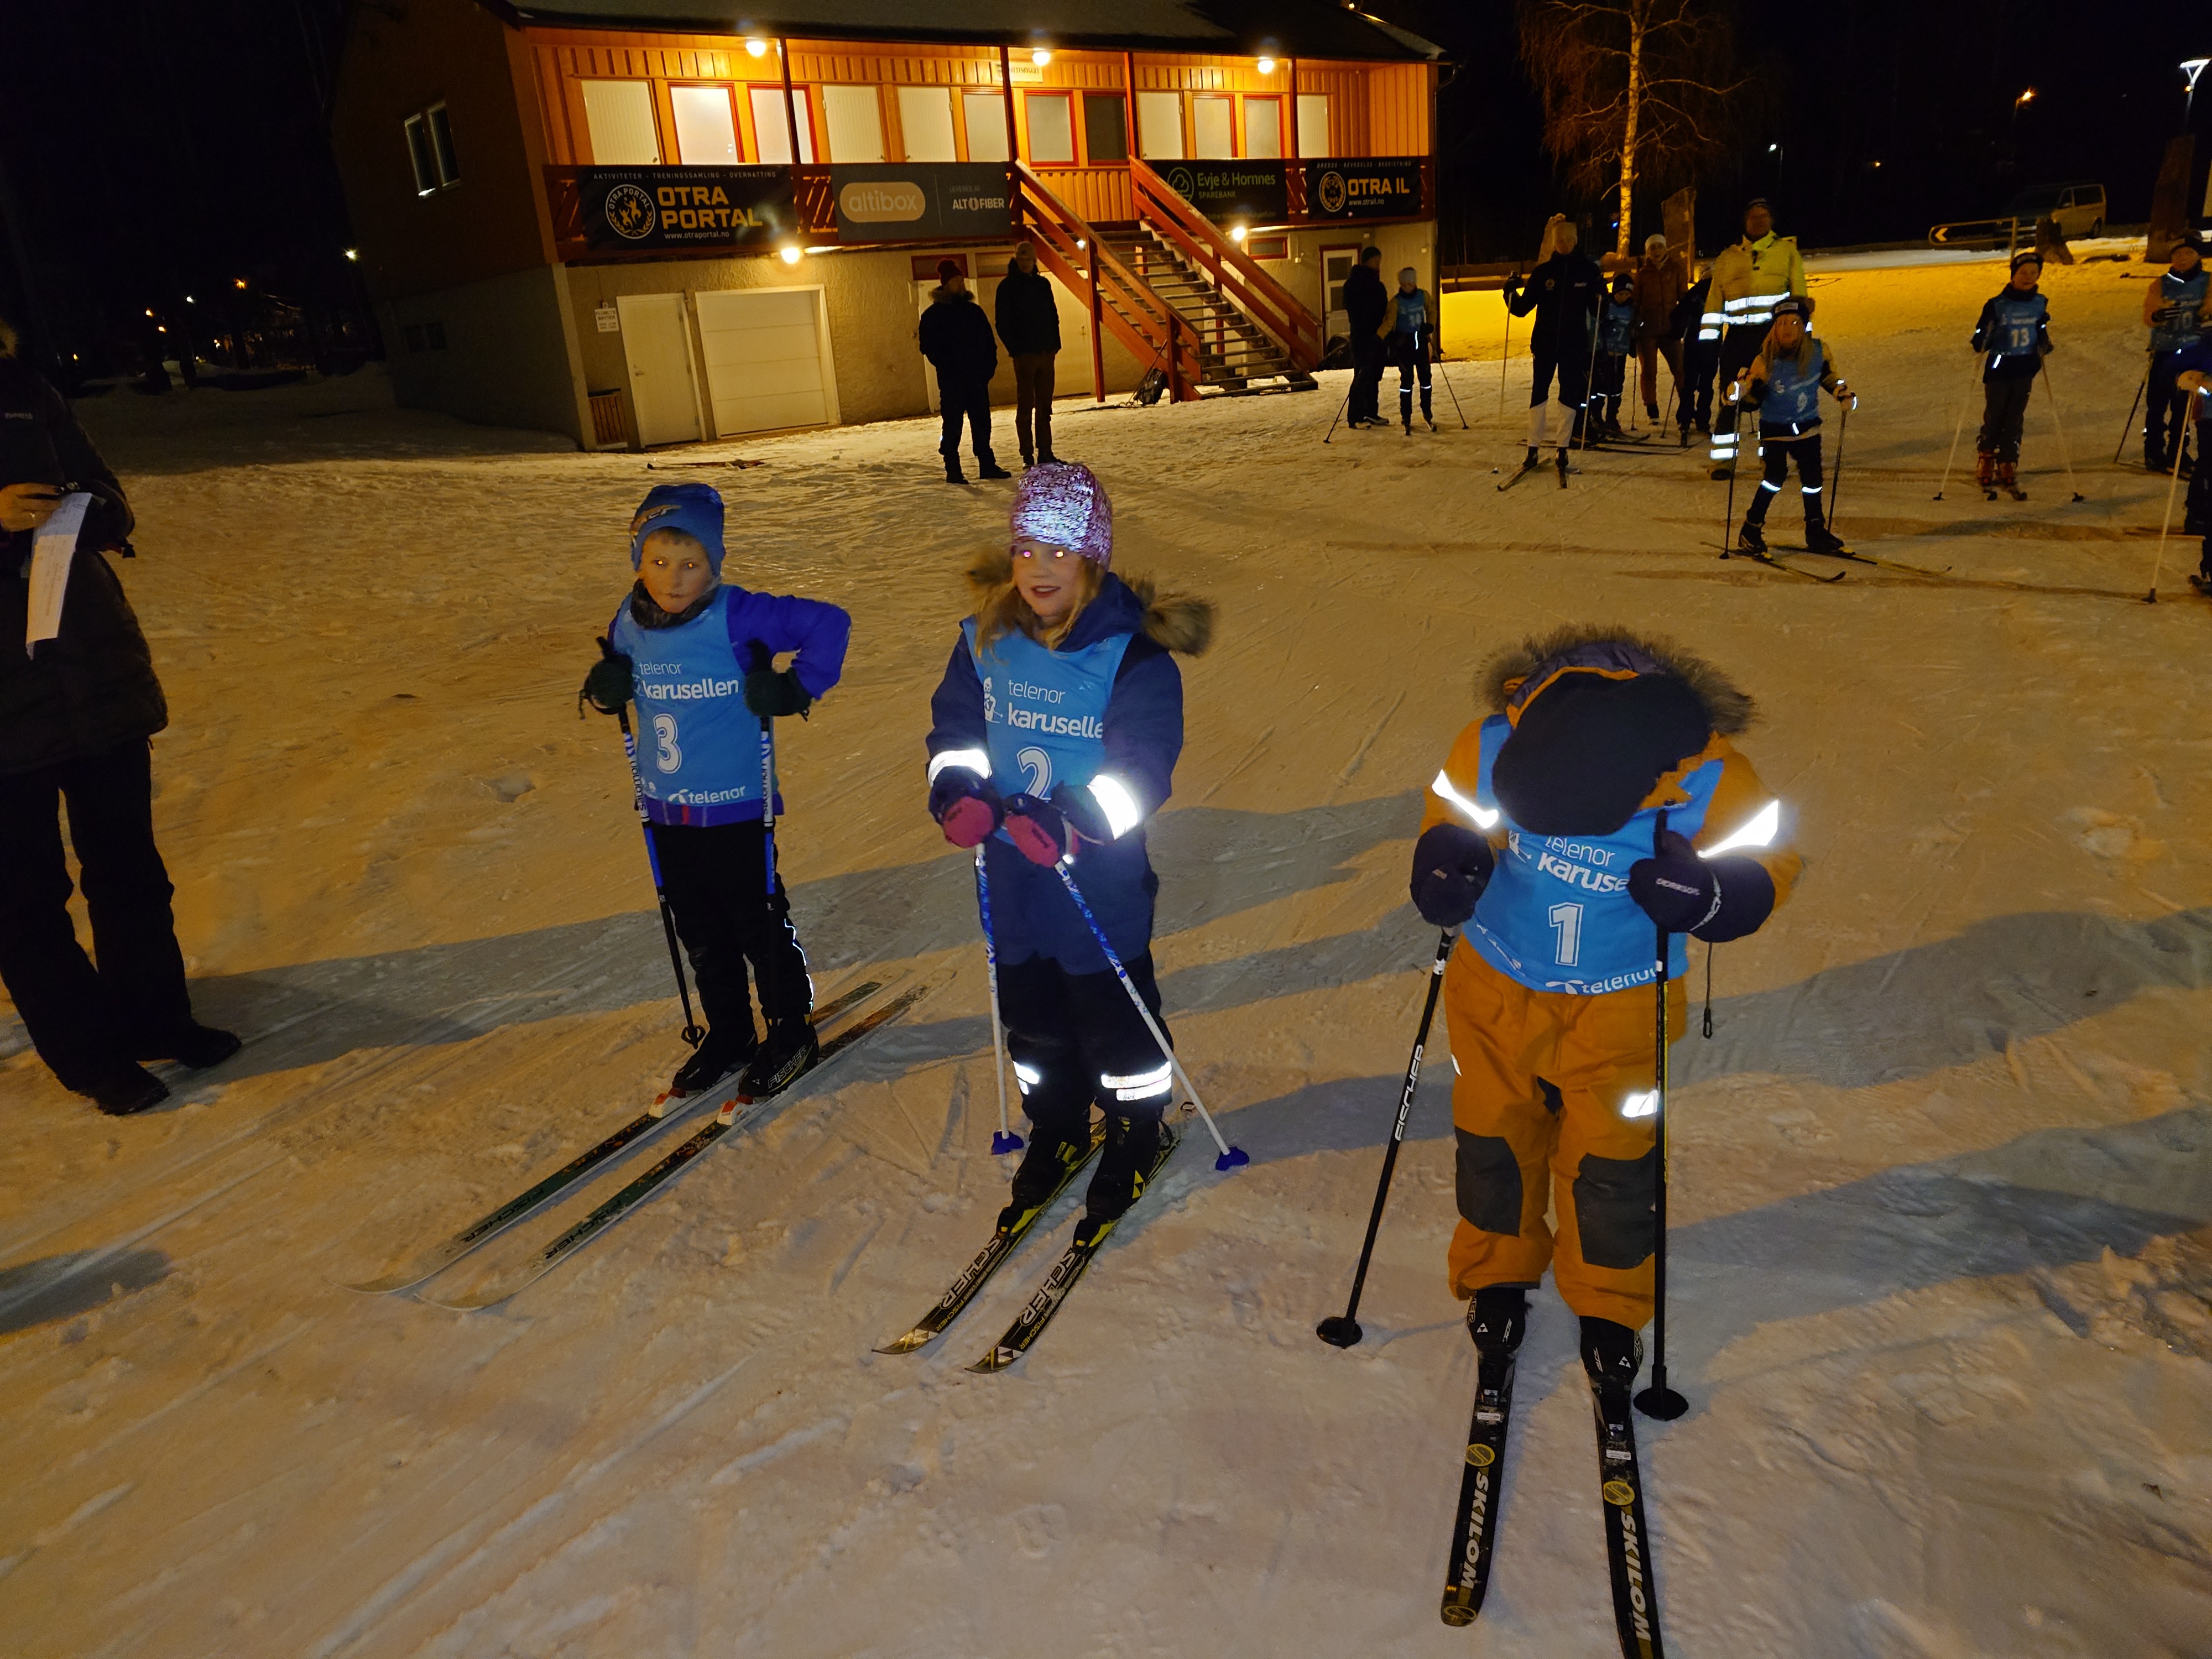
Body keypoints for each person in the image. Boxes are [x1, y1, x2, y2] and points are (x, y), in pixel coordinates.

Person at [1407, 624, 1801, 1438]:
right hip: (1499, 983)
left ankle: (1610, 1303)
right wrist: (1448, 857)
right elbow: (1454, 810)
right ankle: (1497, 1269)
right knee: (1493, 1131)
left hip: (1623, 998)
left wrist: (1714, 895)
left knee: (1611, 1156)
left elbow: (1770, 853)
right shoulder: (1492, 741)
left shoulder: (1707, 774)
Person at [924, 463, 1213, 1241]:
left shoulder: (1131, 656)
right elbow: (956, 732)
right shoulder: (985, 643)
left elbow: (1144, 766)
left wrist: (1080, 820)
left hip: (1097, 880)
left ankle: (1133, 1126)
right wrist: (960, 792)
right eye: (1024, 551)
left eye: (1058, 552)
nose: (1038, 569)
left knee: (1113, 1019)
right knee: (1034, 1020)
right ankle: (1053, 1122)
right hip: (1012, 876)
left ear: (1091, 559)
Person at [0, 322, 238, 1115]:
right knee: (26, 896)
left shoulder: (27, 392)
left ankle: (155, 1019)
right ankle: (89, 1055)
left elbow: (108, 493)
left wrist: (92, 511)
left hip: (93, 672)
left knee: (129, 868)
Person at [579, 482, 852, 1099]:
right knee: (699, 928)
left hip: (734, 804)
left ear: (714, 563)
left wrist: (794, 689)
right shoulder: (628, 621)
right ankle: (730, 1032)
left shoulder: (740, 614)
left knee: (756, 922)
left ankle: (790, 1030)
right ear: (637, 562)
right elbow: (614, 685)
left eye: (690, 564)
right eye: (658, 563)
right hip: (666, 806)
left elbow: (829, 622)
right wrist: (606, 691)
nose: (674, 580)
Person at [1728, 295, 1857, 555]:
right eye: (1782, 323)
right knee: (1774, 478)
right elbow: (1751, 399)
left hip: (1808, 427)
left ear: (1803, 326)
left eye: (1795, 323)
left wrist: (1842, 394)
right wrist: (1738, 393)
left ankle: (1816, 529)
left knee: (1813, 480)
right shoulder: (1765, 361)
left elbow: (1830, 377)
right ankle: (1751, 528)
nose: (1788, 329)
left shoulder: (1818, 351)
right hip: (1776, 430)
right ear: (1774, 328)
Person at [1706, 199, 1806, 479]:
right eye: (1753, 217)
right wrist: (1709, 339)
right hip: (1737, 338)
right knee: (1729, 397)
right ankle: (1723, 462)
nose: (1758, 221)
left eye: (1763, 216)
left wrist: (1800, 339)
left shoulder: (1787, 253)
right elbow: (1715, 302)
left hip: (1772, 337)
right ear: (1745, 222)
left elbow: (1800, 300)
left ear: (1772, 221)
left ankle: (1771, 459)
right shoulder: (1729, 257)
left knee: (1773, 400)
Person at [1503, 215, 1603, 480]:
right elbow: (1523, 309)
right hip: (1545, 343)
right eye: (1559, 241)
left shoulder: (1588, 271)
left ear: (1576, 240)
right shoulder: (1543, 273)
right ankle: (1533, 448)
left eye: (1569, 240)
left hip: (1573, 344)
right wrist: (1510, 293)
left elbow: (1598, 311)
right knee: (1540, 393)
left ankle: (1563, 449)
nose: (1564, 245)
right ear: (1554, 243)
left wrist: (1602, 296)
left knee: (1569, 396)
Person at [1970, 251, 2053, 497]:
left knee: (2015, 417)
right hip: (2000, 367)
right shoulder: (1997, 304)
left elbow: (2041, 329)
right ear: (2014, 274)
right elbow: (1979, 339)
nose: (2029, 277)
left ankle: (2008, 459)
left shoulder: (2040, 302)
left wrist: (2044, 343)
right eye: (2024, 272)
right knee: (1995, 415)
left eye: (2034, 273)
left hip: (2025, 367)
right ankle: (1986, 456)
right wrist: (1985, 338)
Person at [919, 259, 1010, 484]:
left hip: (977, 378)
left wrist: (988, 368)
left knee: (982, 422)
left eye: (961, 280)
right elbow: (929, 346)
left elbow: (989, 342)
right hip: (952, 381)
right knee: (953, 424)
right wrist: (947, 366)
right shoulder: (935, 315)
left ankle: (986, 464)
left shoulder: (973, 312)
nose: (960, 284)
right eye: (955, 281)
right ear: (946, 284)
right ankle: (953, 468)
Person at [993, 240, 1062, 469]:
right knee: (1026, 405)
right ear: (1016, 260)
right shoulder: (1007, 287)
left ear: (1034, 261)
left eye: (1029, 259)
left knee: (1044, 405)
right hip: (1025, 356)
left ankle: (1045, 450)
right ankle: (1027, 455)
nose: (1025, 263)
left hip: (1046, 352)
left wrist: (1054, 344)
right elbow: (1003, 323)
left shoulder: (1043, 285)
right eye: (1021, 259)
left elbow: (1053, 316)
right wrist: (1016, 350)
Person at [2141, 237, 2205, 475]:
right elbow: (2149, 314)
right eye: (2177, 254)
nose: (2182, 259)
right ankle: (2153, 451)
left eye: (2188, 253)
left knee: (2183, 406)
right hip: (2165, 350)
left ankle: (2178, 452)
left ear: (2198, 256)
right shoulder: (2161, 284)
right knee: (2157, 404)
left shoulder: (2207, 282)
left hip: (2193, 351)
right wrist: (2159, 315)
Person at [1632, 233, 1686, 429]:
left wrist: (1684, 318)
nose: (1656, 251)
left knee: (1680, 369)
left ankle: (1686, 406)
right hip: (1648, 330)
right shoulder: (1642, 274)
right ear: (1648, 252)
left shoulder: (1676, 269)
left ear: (1665, 249)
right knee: (1649, 371)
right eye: (1652, 248)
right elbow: (1636, 301)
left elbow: (1683, 297)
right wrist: (1635, 320)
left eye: (1659, 247)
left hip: (1671, 328)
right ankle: (1652, 408)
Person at [1379, 265, 1437, 433]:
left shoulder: (1423, 296)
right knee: (1407, 381)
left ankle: (1427, 411)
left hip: (1421, 342)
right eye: (1405, 284)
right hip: (1404, 345)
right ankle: (1406, 415)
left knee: (1426, 379)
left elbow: (1432, 310)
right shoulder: (1396, 302)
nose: (1408, 287)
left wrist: (1430, 326)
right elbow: (1389, 322)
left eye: (1411, 284)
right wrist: (1380, 337)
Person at [1672, 257, 1721, 443]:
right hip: (1711, 346)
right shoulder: (1719, 293)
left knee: (1690, 385)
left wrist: (1677, 329)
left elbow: (1677, 314)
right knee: (1705, 386)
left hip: (1694, 345)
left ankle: (1685, 419)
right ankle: (1701, 420)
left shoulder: (1695, 293)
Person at [1343, 247, 1390, 429]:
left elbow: (1383, 308)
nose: (1378, 264)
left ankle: (1371, 412)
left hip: (1377, 335)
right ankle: (1356, 417)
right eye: (1375, 260)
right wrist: (1365, 324)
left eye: (1380, 260)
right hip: (1363, 335)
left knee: (1375, 374)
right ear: (1367, 261)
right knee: (1363, 374)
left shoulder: (1377, 285)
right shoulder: (1355, 283)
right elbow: (1353, 309)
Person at [1590, 270, 1637, 439]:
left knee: (1617, 388)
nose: (1623, 297)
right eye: (1621, 293)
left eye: (1627, 294)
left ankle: (1612, 418)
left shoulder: (1631, 309)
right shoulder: (1607, 306)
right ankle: (1596, 416)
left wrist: (1634, 342)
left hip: (1621, 352)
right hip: (1606, 353)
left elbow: (1633, 328)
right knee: (1602, 386)